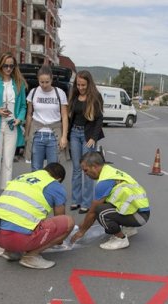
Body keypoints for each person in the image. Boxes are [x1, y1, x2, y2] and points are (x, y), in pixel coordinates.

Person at [0, 162, 74, 269]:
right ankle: (31, 256)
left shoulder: (21, 177)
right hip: (19, 239)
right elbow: (60, 217)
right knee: (69, 222)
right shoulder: (55, 185)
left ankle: (11, 251)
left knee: (18, 218)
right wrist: (57, 240)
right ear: (58, 179)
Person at [70, 151, 149, 250]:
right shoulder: (110, 171)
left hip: (139, 216)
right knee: (105, 203)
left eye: (86, 170)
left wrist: (81, 232)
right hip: (140, 211)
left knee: (100, 211)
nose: (85, 174)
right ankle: (129, 228)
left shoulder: (104, 181)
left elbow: (93, 212)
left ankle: (120, 239)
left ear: (94, 166)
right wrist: (82, 225)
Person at [0, 52, 27, 209]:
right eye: (5, 65)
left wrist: (19, 119)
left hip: (12, 127)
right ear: (0, 65)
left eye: (11, 65)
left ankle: (6, 196)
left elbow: (23, 106)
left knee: (8, 163)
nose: (8, 68)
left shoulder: (19, 83)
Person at [68, 70, 104, 214]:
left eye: (83, 85)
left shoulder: (96, 97)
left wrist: (93, 138)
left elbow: (99, 119)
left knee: (87, 170)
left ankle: (87, 202)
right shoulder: (75, 95)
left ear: (89, 84)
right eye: (78, 85)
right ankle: (76, 200)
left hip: (87, 136)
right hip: (74, 134)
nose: (81, 87)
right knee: (76, 168)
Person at [25, 65, 69, 172]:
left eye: (47, 82)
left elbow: (64, 116)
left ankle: (50, 189)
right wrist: (26, 134)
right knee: (36, 168)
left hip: (54, 136)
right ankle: (37, 189)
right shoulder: (33, 92)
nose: (44, 85)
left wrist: (64, 136)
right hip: (37, 135)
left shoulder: (60, 93)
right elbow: (29, 114)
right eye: (41, 82)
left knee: (53, 169)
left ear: (52, 79)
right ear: (38, 80)